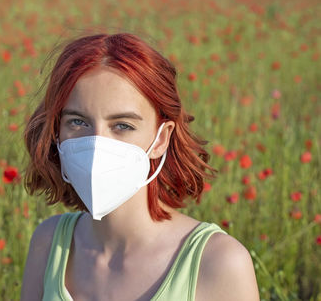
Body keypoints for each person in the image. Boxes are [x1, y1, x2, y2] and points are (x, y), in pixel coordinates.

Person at [20, 32, 259, 301]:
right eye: (78, 122)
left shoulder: (219, 263)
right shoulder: (49, 243)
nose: (97, 144)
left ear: (161, 139)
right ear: (56, 130)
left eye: (123, 125)